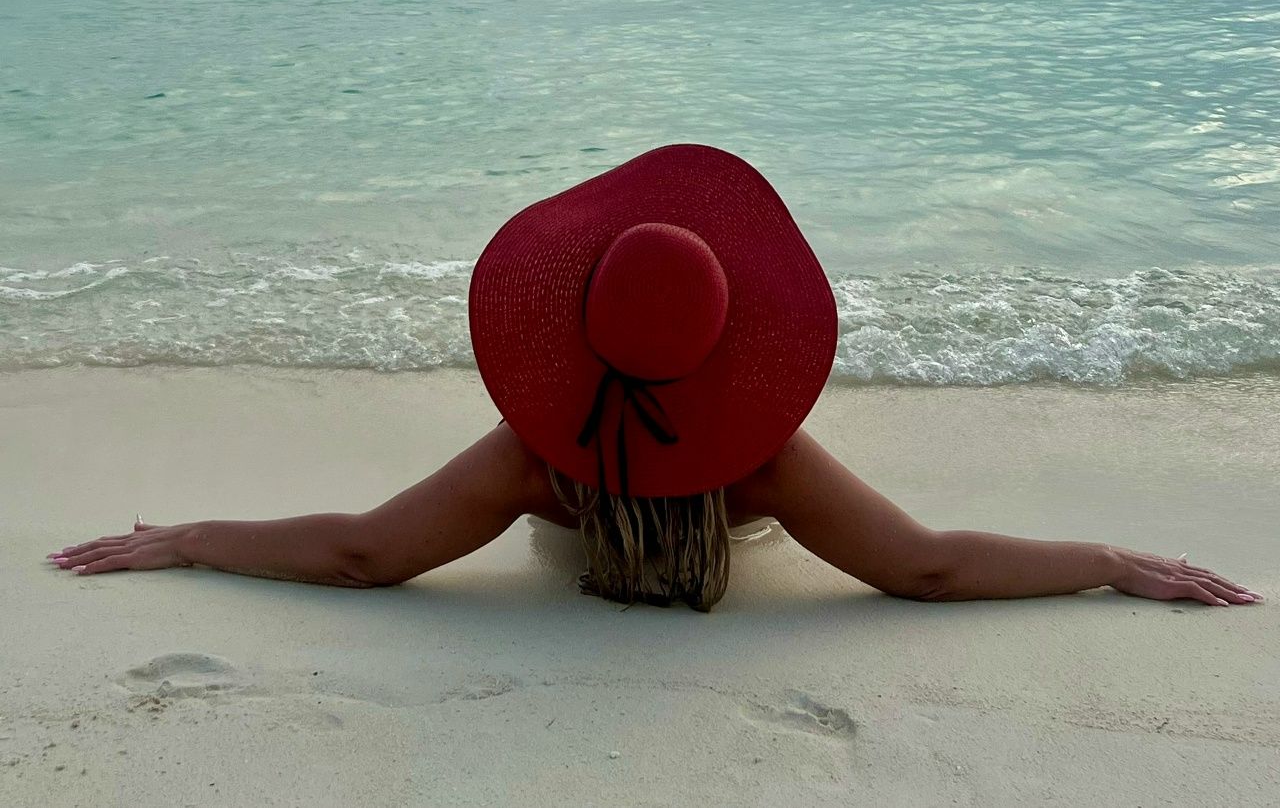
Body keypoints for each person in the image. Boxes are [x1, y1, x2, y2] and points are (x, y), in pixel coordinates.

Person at [48, 145, 1260, 612]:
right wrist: (1106, 559)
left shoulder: (533, 461)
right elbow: (925, 564)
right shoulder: (764, 466)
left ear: (572, 330)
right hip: (714, 525)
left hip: (586, 514)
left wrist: (196, 536)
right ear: (733, 347)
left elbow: (365, 551)